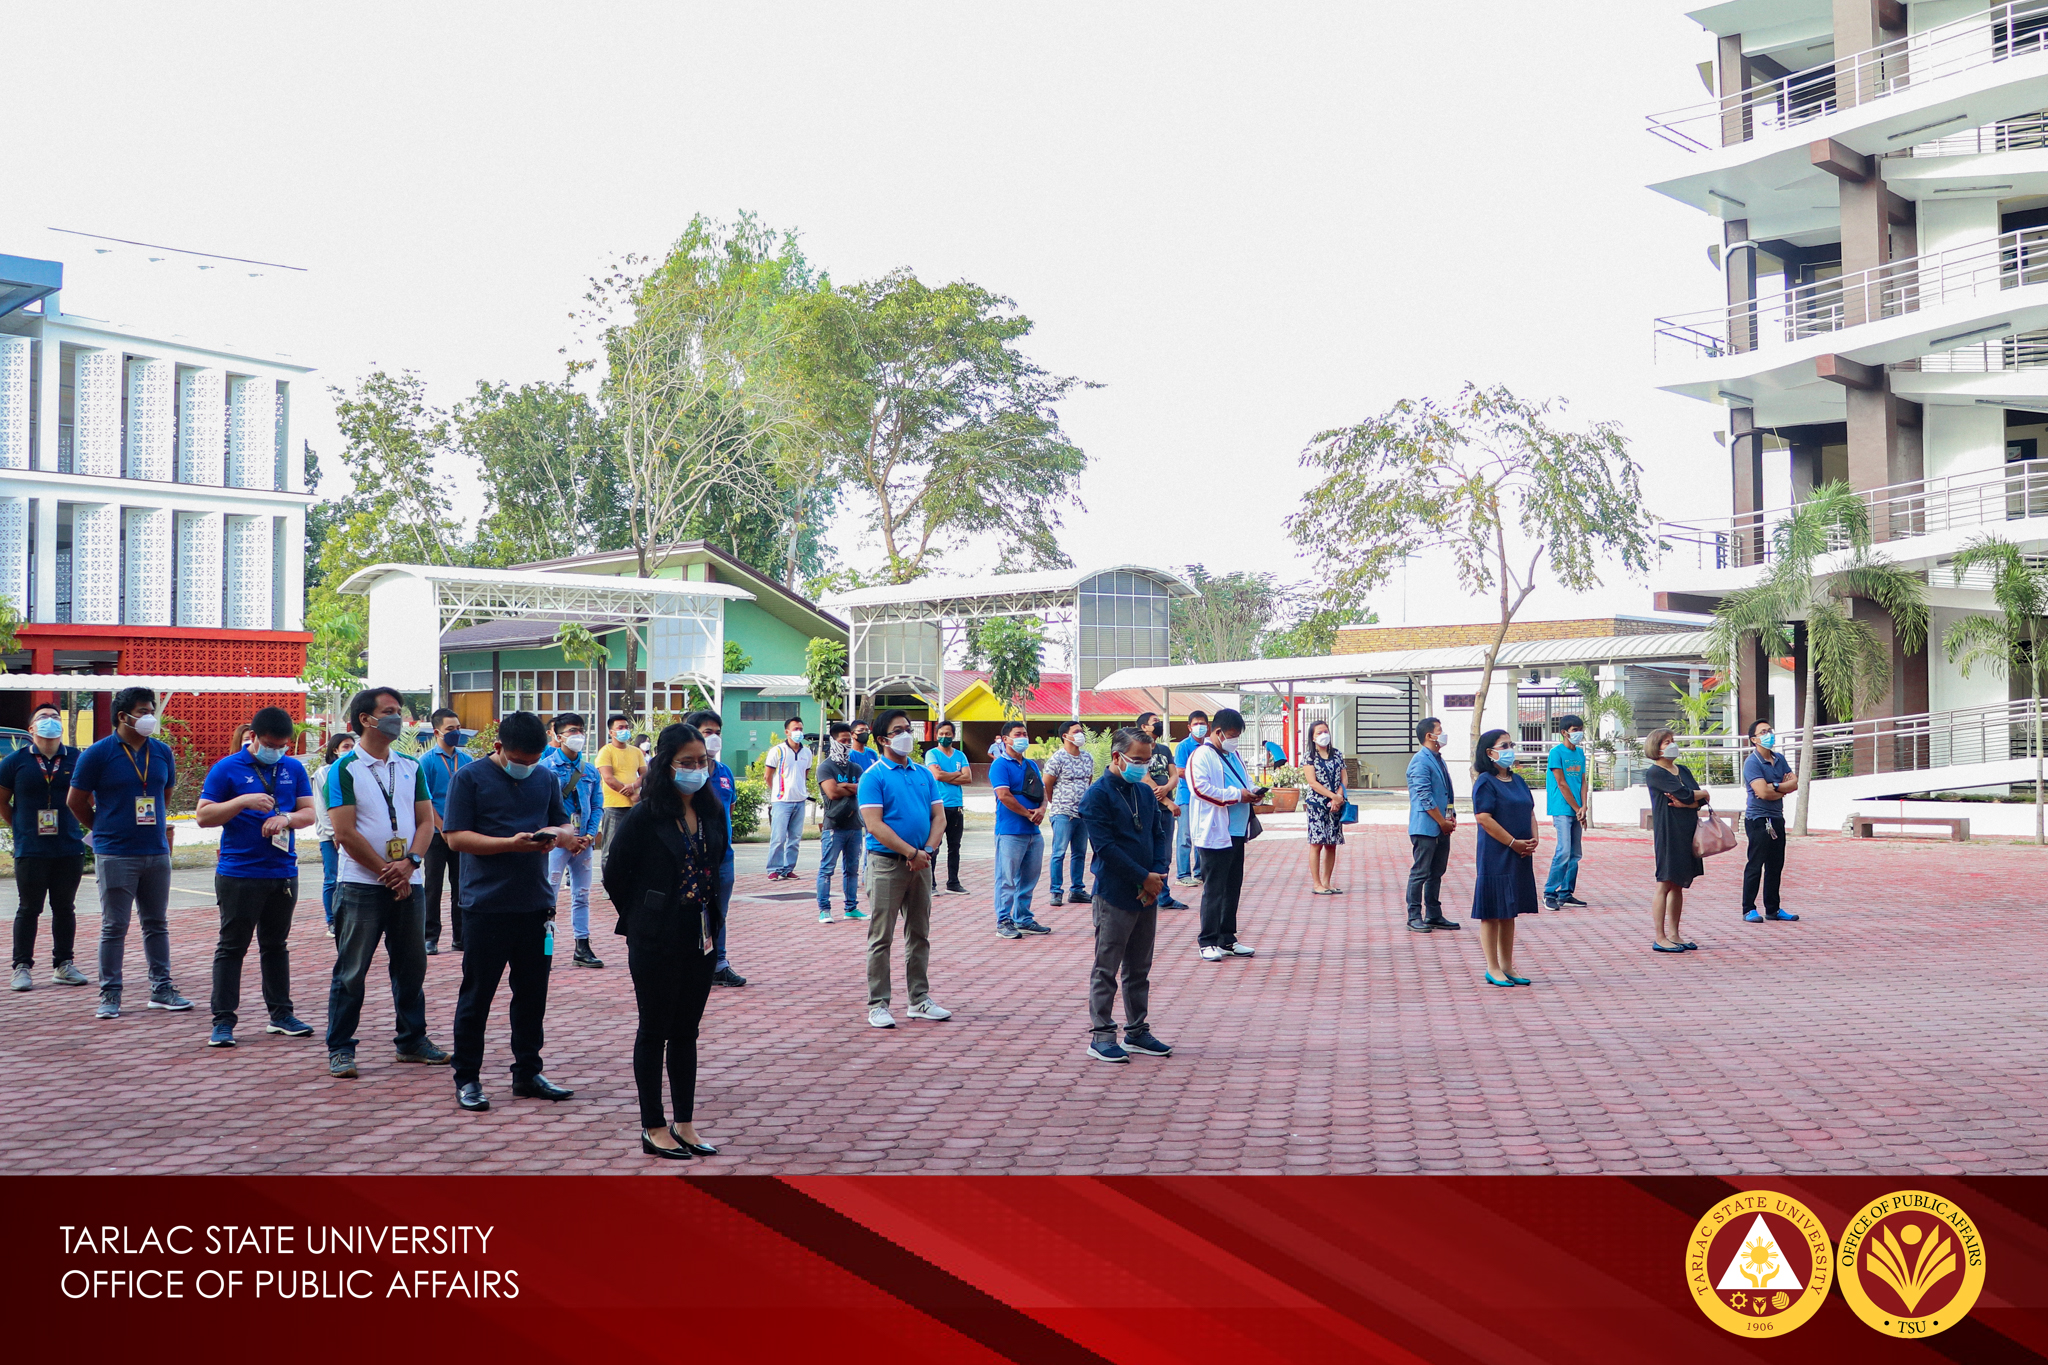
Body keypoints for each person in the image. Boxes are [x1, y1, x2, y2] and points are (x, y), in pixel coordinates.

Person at [443, 709, 586, 1112]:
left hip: (535, 906)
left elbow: (563, 824)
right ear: (499, 747)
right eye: (520, 760)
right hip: (485, 906)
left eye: (534, 760)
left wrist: (558, 835)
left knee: (532, 996)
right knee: (477, 997)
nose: (527, 767)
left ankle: (527, 1072)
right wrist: (510, 844)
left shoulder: (545, 777)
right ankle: (467, 1077)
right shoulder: (469, 777)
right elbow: (455, 838)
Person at [602, 723, 727, 1159]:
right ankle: (653, 1126)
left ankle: (685, 1123)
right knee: (654, 1029)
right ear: (665, 765)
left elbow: (715, 864)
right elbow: (615, 872)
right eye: (686, 762)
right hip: (655, 937)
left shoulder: (711, 811)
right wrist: (642, 914)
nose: (696, 769)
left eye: (702, 761)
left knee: (687, 1031)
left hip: (700, 934)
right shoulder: (646, 815)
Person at [323, 686, 449, 1078]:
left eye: (399, 711)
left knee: (412, 967)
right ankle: (341, 1048)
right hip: (361, 885)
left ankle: (412, 1040)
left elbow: (426, 821)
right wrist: (387, 871)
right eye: (390, 711)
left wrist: (410, 863)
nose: (399, 718)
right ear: (366, 719)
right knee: (352, 970)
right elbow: (344, 832)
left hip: (410, 881)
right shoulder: (344, 769)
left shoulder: (410, 766)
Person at [195, 706, 317, 1047]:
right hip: (239, 873)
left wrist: (286, 819)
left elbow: (309, 813)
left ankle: (281, 1015)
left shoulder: (293, 768)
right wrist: (243, 801)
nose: (276, 751)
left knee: (275, 945)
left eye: (282, 745)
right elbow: (203, 816)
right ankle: (223, 1021)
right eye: (270, 745)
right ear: (253, 738)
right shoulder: (227, 768)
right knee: (232, 947)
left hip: (282, 871)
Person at [67, 686, 188, 1019]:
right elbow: (75, 801)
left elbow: (164, 795)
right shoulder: (97, 754)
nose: (150, 717)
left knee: (156, 923)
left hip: (156, 851)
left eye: (152, 710)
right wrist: (103, 829)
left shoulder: (161, 752)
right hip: (115, 853)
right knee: (114, 926)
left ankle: (162, 989)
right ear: (123, 716)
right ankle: (110, 994)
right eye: (143, 711)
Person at [1079, 726, 1174, 1064]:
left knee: (1139, 968)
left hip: (1148, 891)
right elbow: (1105, 848)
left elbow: (1159, 834)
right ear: (1117, 757)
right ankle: (1102, 1035)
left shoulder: (1144, 792)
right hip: (1115, 892)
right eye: (1137, 760)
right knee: (1106, 968)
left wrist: (1157, 874)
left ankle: (1136, 1031)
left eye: (1147, 761)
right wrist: (1143, 878)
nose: (1143, 767)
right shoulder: (1097, 795)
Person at [856, 708, 951, 1029]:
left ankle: (919, 999)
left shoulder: (924, 774)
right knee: (881, 937)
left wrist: (926, 851)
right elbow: (874, 825)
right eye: (898, 730)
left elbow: (939, 817)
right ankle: (878, 1004)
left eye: (908, 729)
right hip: (886, 865)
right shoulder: (873, 777)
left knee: (919, 934)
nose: (906, 735)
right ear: (883, 739)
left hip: (921, 864)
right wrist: (910, 851)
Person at [3, 702, 89, 992]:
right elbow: (2, 801)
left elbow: (91, 798)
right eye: (43, 717)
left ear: (62, 726)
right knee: (29, 908)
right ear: (31, 728)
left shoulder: (78, 759)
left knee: (64, 908)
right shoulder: (15, 761)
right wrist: (20, 827)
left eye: (54, 716)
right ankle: (21, 967)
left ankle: (63, 964)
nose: (50, 720)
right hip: (31, 848)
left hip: (69, 847)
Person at [1186, 708, 1260, 962]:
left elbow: (1245, 781)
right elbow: (1201, 789)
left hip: (1236, 832)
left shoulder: (1234, 755)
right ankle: (1207, 941)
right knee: (1214, 889)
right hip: (1215, 833)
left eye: (1237, 735)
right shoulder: (1201, 755)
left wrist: (1253, 792)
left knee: (1232, 887)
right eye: (1232, 735)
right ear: (1217, 732)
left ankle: (1227, 938)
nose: (1234, 740)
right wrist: (1237, 795)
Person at [1471, 728, 1540, 987]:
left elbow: (1530, 811)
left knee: (1509, 911)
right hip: (1496, 854)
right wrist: (1512, 842)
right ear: (1490, 752)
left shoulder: (1518, 781)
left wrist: (1533, 839)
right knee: (1492, 911)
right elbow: (1484, 818)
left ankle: (1507, 965)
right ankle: (1493, 967)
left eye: (1511, 744)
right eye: (1504, 746)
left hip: (1520, 854)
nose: (1510, 750)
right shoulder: (1485, 782)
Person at [681, 708, 745, 986]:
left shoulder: (724, 772)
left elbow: (729, 809)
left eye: (718, 732)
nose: (714, 738)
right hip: (692, 857)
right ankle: (687, 963)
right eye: (708, 732)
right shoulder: (683, 773)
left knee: (718, 912)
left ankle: (718, 963)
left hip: (723, 856)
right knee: (688, 911)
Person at [543, 713, 606, 969]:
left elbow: (597, 805)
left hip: (584, 843)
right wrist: (561, 836)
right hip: (556, 842)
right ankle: (545, 947)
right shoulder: (545, 768)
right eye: (572, 731)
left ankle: (582, 945)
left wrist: (589, 835)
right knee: (549, 895)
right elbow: (542, 808)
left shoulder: (590, 770)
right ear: (558, 736)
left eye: (580, 730)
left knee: (582, 895)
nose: (577, 735)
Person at [1644, 726, 1711, 954]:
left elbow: (1697, 799)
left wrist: (1693, 800)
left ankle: (1674, 934)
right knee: (1664, 882)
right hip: (1668, 832)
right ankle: (1660, 937)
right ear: (1656, 747)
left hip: (1687, 831)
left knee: (1678, 884)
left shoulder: (1681, 770)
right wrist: (1696, 796)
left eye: (1672, 740)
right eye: (1666, 742)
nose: (1672, 744)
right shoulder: (1655, 772)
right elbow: (1687, 794)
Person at [989, 720, 1050, 939]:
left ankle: (1023, 917)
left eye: (1025, 734)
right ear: (1005, 739)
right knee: (1006, 878)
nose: (1023, 738)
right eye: (1018, 734)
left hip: (1033, 832)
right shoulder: (1000, 765)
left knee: (1029, 878)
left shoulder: (1031, 765)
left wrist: (1042, 809)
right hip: (1010, 831)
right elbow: (1004, 795)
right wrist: (1028, 813)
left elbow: (1042, 791)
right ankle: (1003, 921)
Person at [418, 708, 472, 955]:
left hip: (461, 834)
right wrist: (441, 826)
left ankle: (461, 936)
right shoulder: (426, 762)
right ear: (437, 732)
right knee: (433, 886)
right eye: (450, 729)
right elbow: (424, 800)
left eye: (458, 728)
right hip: (435, 834)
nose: (456, 733)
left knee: (462, 886)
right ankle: (430, 937)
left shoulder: (467, 760)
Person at [1404, 717, 1461, 934]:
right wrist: (1441, 821)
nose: (1443, 734)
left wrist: (1450, 817)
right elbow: (1424, 796)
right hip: (1426, 827)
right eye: (1440, 730)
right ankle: (1414, 916)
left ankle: (1434, 914)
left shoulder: (1438, 759)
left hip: (1442, 824)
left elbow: (1445, 792)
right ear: (1430, 735)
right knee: (1421, 871)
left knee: (1436, 871)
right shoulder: (1420, 761)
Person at [1740, 718, 1799, 924]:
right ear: (1754, 739)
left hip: (1776, 818)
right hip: (1758, 819)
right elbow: (1761, 792)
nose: (1769, 735)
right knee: (1756, 864)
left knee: (1775, 865)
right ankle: (1749, 909)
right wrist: (1780, 789)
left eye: (1770, 730)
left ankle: (1773, 909)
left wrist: (1773, 786)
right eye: (1763, 732)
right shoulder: (1752, 763)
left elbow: (1794, 783)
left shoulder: (1779, 758)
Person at [1132, 712, 1190, 911]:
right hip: (1150, 809)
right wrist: (1167, 801)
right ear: (1143, 727)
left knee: (1164, 854)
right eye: (1154, 722)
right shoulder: (1139, 748)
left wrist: (1167, 789)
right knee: (1147, 852)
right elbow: (1145, 778)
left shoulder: (1164, 750)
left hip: (1165, 810)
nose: (1158, 725)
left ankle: (1163, 895)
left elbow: (1174, 774)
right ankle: (1145, 893)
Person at [815, 721, 866, 922]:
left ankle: (851, 907)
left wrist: (844, 785)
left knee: (852, 870)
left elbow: (863, 789)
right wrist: (850, 787)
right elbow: (832, 793)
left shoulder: (856, 767)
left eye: (848, 740)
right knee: (827, 869)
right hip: (834, 827)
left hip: (855, 826)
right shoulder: (825, 767)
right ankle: (824, 909)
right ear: (834, 741)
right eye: (842, 741)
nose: (846, 744)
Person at [1042, 720, 1095, 907]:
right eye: (1076, 731)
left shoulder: (1087, 757)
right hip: (1062, 813)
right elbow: (1047, 783)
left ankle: (1077, 890)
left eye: (1081, 731)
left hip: (1083, 814)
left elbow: (1089, 781)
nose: (1081, 734)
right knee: (1059, 852)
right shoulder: (1057, 758)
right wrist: (1055, 802)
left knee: (1079, 853)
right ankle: (1056, 891)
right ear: (1065, 736)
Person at [1542, 715, 1591, 911]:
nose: (1579, 733)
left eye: (1580, 729)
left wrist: (1584, 806)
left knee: (1575, 853)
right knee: (1563, 850)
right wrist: (1577, 808)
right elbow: (1561, 783)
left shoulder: (1580, 753)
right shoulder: (1556, 753)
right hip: (1562, 808)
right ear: (1564, 732)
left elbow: (1583, 781)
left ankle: (1566, 893)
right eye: (1574, 729)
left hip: (1577, 809)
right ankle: (1549, 893)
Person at [309, 732, 355, 937]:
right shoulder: (323, 773)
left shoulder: (355, 770)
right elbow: (321, 807)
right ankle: (332, 921)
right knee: (332, 878)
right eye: (345, 747)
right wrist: (334, 833)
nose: (350, 750)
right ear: (335, 750)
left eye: (352, 746)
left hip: (353, 834)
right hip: (330, 836)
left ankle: (349, 919)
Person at [923, 719, 971, 894]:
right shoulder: (932, 754)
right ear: (937, 735)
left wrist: (946, 774)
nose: (944, 737)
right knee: (934, 845)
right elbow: (936, 775)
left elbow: (968, 778)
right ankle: (931, 883)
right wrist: (957, 774)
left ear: (953, 735)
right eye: (941, 734)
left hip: (956, 806)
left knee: (955, 846)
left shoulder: (960, 756)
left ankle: (953, 882)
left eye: (948, 734)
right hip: (938, 807)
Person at [761, 717, 812, 881]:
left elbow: (805, 774)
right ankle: (773, 869)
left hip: (800, 800)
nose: (799, 732)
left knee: (795, 839)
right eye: (795, 729)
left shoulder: (807, 752)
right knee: (778, 838)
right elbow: (768, 776)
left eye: (801, 729)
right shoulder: (777, 751)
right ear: (787, 732)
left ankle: (788, 868)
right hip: (782, 801)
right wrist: (777, 792)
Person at [1302, 719, 1348, 895]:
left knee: (1331, 844)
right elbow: (1312, 782)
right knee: (1317, 843)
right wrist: (1332, 796)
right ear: (1313, 737)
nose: (1323, 735)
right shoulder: (1309, 756)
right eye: (1319, 733)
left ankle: (1327, 882)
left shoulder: (1337, 754)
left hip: (1336, 806)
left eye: (1325, 731)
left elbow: (1344, 778)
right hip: (1317, 805)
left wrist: (1338, 797)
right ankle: (1317, 883)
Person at [596, 713, 645, 862]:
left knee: (635, 845)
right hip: (614, 806)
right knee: (610, 848)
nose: (625, 730)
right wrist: (630, 794)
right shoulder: (606, 751)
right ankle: (608, 875)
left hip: (635, 806)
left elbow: (645, 774)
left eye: (626, 727)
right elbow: (608, 778)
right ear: (611, 732)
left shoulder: (636, 752)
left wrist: (635, 785)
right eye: (620, 728)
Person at [1172, 710, 1210, 887]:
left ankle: (1200, 872)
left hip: (1204, 798)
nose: (1199, 727)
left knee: (1201, 835)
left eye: (1202, 723)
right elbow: (1180, 771)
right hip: (1186, 797)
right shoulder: (1183, 746)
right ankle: (1183, 874)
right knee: (1185, 837)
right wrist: (1201, 778)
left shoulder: (1209, 746)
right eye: (1196, 724)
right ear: (1189, 727)